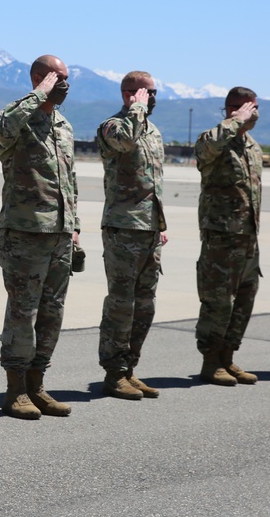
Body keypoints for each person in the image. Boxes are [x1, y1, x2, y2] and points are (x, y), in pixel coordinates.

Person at [0, 54, 79, 420]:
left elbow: (67, 182)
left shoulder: (64, 126)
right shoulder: (18, 120)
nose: (65, 85)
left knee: (52, 313)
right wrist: (36, 95)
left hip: (59, 233)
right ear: (40, 78)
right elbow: (0, 130)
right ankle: (15, 390)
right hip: (25, 233)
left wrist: (74, 228)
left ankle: (36, 384)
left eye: (67, 78)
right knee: (23, 312)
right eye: (59, 78)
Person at [97, 71, 167, 400]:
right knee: (122, 304)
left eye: (154, 93)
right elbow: (124, 141)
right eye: (146, 93)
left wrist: (160, 225)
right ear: (129, 94)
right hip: (123, 228)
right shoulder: (112, 126)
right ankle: (114, 373)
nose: (152, 98)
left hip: (149, 229)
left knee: (146, 306)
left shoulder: (153, 132)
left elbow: (152, 184)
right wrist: (135, 110)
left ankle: (129, 368)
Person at [194, 87, 263, 386]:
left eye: (250, 108)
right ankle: (211, 361)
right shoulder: (213, 140)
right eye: (236, 108)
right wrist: (235, 121)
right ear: (227, 110)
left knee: (245, 300)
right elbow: (207, 148)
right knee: (218, 302)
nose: (245, 113)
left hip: (248, 238)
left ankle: (228, 357)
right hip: (221, 238)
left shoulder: (254, 147)